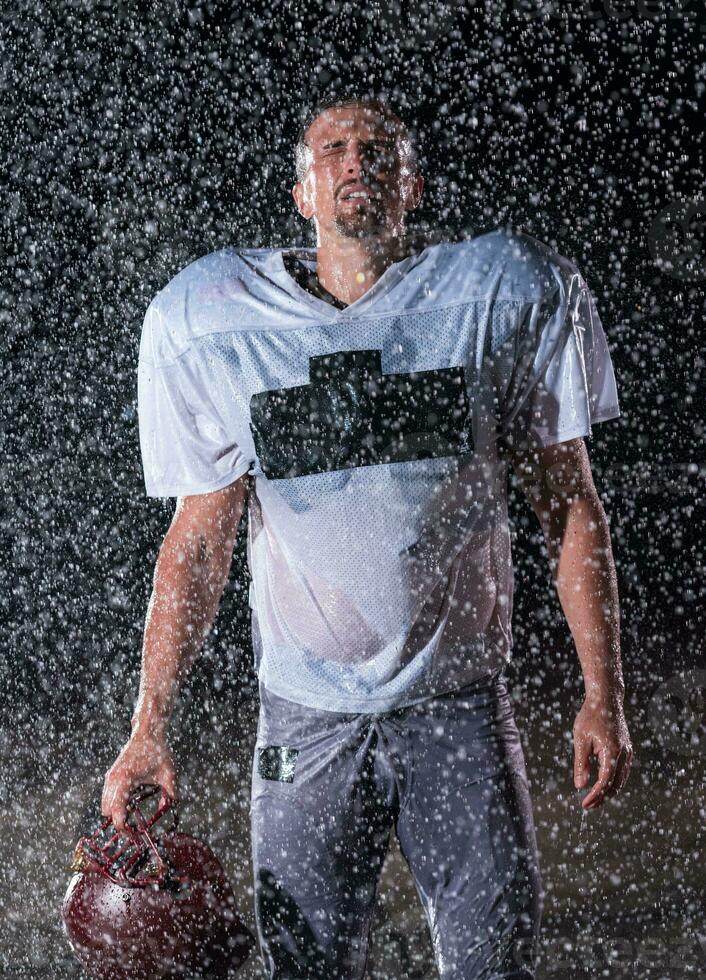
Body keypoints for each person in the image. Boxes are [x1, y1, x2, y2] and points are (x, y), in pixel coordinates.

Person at [102, 93, 633, 979]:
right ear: (303, 195)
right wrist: (148, 727)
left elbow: (569, 504)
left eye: (379, 148)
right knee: (307, 968)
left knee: (497, 963)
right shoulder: (218, 319)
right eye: (334, 150)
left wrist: (602, 691)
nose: (357, 162)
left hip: (458, 704)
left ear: (413, 182)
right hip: (307, 717)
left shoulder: (498, 294)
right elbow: (197, 542)